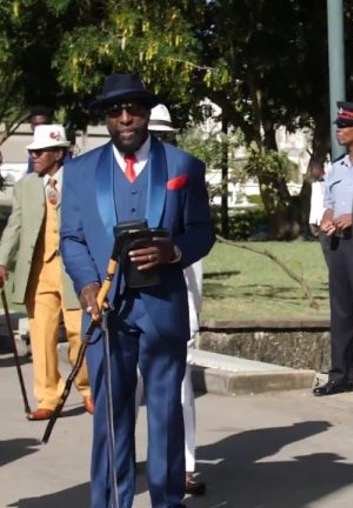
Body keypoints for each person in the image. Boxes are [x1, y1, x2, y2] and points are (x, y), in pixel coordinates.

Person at [60, 73, 215, 508]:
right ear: (105, 118)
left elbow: (202, 233)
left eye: (133, 109)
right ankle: (111, 502)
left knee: (166, 415)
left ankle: (166, 501)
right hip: (105, 313)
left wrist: (173, 252)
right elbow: (71, 238)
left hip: (162, 308)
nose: (125, 118)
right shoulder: (79, 171)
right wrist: (87, 283)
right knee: (112, 417)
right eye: (115, 111)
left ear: (146, 113)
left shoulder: (184, 167)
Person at [0, 124, 93, 421]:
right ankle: (48, 398)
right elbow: (14, 227)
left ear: (58, 153)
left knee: (81, 334)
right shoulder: (25, 185)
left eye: (40, 151)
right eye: (32, 151)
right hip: (37, 272)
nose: (34, 156)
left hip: (73, 272)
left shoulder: (80, 180)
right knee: (41, 336)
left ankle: (89, 390)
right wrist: (2, 261)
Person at [144, 102, 207, 496]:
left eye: (165, 134)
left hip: (175, 297)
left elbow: (194, 254)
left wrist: (194, 317)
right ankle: (147, 462)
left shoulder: (185, 172)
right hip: (130, 301)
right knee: (134, 391)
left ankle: (183, 465)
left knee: (178, 387)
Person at [314, 101, 353, 396]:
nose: (339, 131)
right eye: (338, 125)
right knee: (340, 312)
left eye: (345, 126)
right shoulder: (336, 167)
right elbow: (328, 203)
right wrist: (327, 217)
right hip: (338, 245)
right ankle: (341, 374)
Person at [306, 157, 331, 270]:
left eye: (313, 169)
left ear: (319, 168)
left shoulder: (330, 181)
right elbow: (314, 204)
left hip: (330, 220)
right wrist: (312, 222)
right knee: (326, 250)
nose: (311, 172)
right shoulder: (315, 185)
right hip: (320, 223)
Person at [25, 106, 54, 175]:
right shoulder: (33, 149)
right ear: (31, 126)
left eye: (43, 124)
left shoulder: (57, 147)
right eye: (36, 124)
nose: (40, 128)